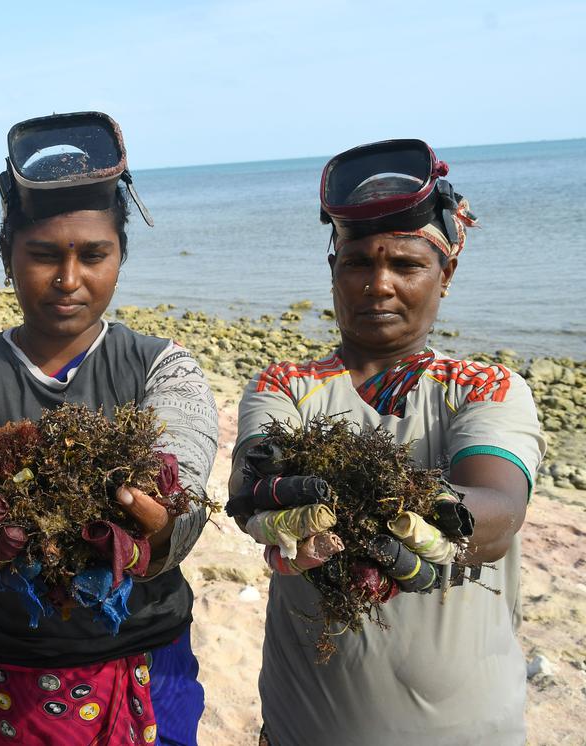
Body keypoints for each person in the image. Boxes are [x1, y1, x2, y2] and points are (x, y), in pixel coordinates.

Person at [0, 112, 218, 745]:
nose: (69, 280)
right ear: (8, 256)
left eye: (94, 255)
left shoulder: (167, 367)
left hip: (145, 659)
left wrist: (157, 529)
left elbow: (179, 502)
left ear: (120, 255)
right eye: (44, 255)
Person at [228, 139, 545, 745]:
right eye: (357, 263)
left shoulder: (485, 387)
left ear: (444, 274)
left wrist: (434, 514)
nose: (379, 285)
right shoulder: (285, 386)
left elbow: (500, 510)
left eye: (406, 264)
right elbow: (253, 480)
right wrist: (264, 503)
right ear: (333, 271)